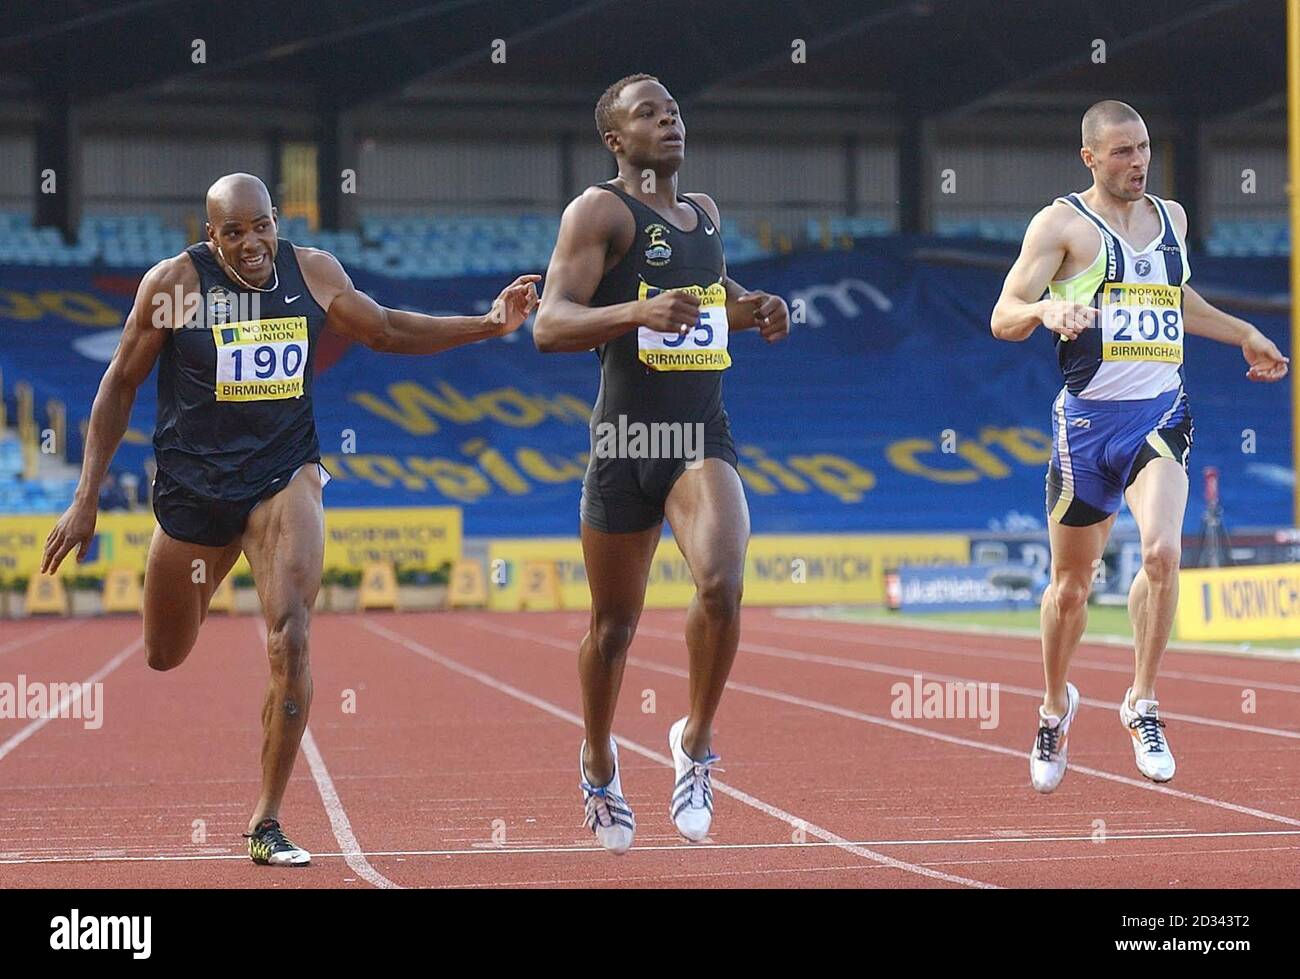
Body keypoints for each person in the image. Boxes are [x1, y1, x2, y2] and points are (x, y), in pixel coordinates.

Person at [41, 173, 539, 864]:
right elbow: (119, 381)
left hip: (284, 473)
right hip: (195, 487)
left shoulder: (313, 271)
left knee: (291, 640)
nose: (253, 243)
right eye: (235, 232)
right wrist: (85, 496)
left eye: (262, 225)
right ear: (211, 235)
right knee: (163, 652)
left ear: (278, 219)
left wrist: (488, 324)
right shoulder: (175, 285)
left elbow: (387, 328)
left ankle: (266, 822)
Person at [990, 101, 1288, 792]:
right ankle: (1054, 707)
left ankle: (1143, 702)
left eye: (1145, 147)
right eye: (1122, 151)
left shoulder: (1173, 219)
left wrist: (1243, 330)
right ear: (1090, 157)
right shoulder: (1061, 224)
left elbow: (1179, 303)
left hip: (1159, 415)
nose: (1138, 162)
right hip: (1087, 427)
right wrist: (1044, 309)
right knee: (1071, 589)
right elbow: (1003, 313)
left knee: (1162, 551)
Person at [533, 75, 790, 852]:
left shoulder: (704, 213)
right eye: (648, 112)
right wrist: (633, 311)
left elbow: (707, 296)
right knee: (612, 629)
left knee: (722, 579)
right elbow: (550, 322)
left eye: (674, 107)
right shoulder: (599, 211)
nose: (668, 118)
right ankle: (600, 757)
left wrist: (753, 309)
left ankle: (695, 742)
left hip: (696, 438)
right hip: (623, 446)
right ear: (617, 139)